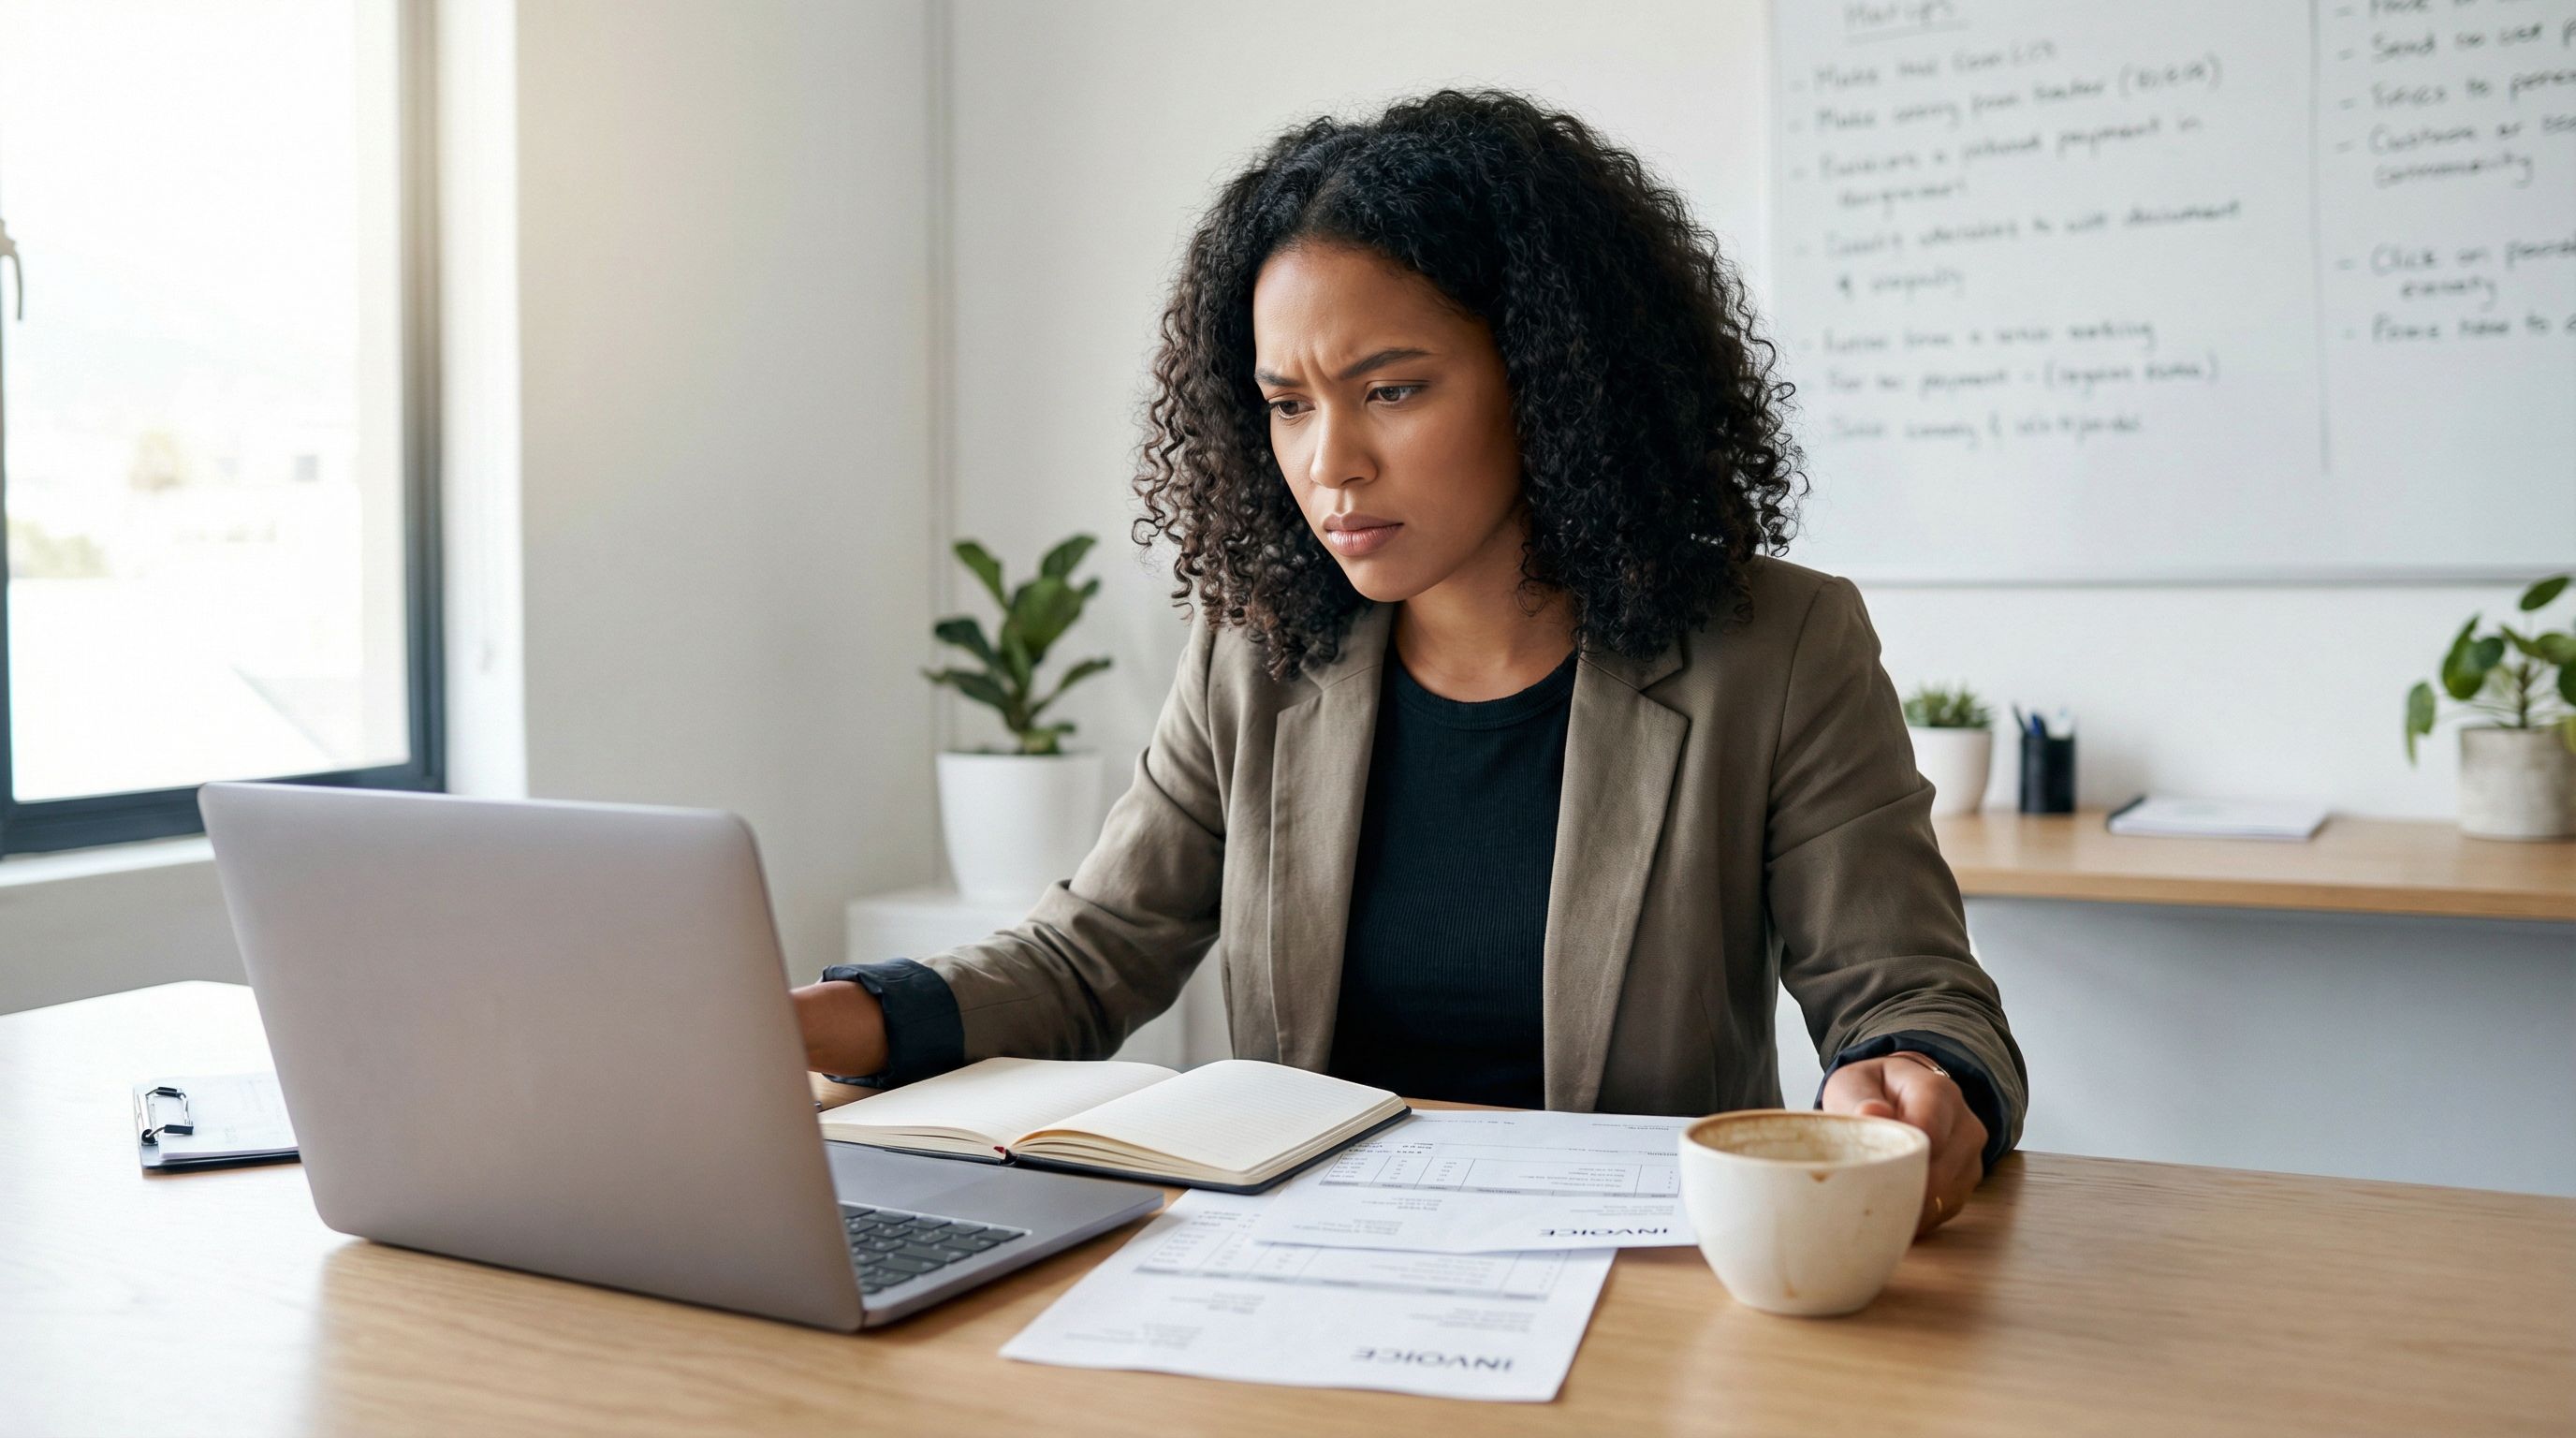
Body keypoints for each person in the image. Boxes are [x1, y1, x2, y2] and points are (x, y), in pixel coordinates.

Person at [797, 87, 2026, 1237]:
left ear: (1548, 378)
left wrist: (1913, 1075)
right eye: (1288, 404)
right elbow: (1092, 954)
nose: (1329, 462)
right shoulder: (1255, 652)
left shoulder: (1775, 648)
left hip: (1631, 1278)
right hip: (1304, 1265)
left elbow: (1906, 986)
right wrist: (810, 1021)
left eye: (1389, 390)